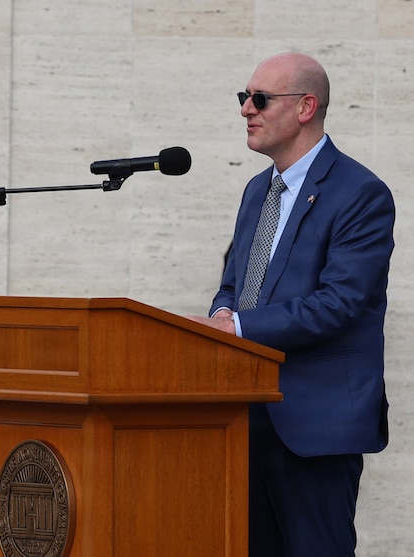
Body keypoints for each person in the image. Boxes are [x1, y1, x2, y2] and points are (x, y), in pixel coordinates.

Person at [186, 52, 395, 557]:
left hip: (315, 427)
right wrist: (221, 314)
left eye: (259, 99)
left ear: (305, 107)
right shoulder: (258, 190)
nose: (246, 110)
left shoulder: (361, 194)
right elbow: (234, 283)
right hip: (243, 417)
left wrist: (233, 327)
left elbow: (339, 304)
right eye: (244, 98)